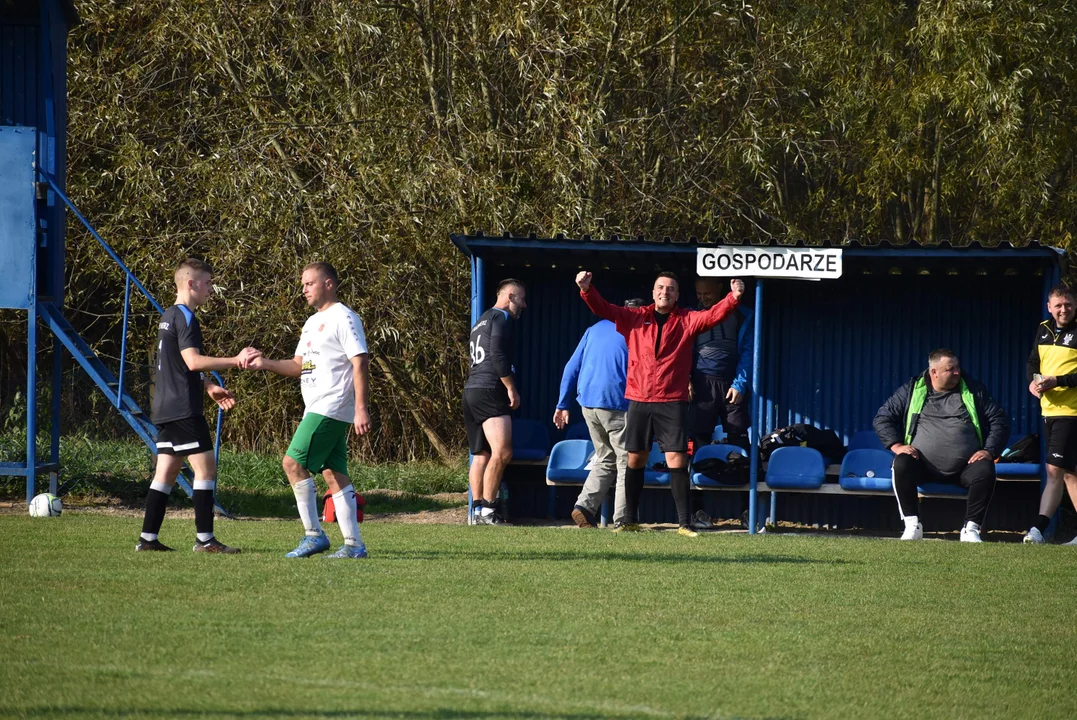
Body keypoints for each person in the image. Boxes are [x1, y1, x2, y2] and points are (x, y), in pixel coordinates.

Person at [575, 270, 743, 535]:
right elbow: (603, 309)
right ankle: (628, 521)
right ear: (654, 293)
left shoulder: (688, 320)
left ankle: (684, 524)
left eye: (671, 288)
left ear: (677, 294)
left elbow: (713, 315)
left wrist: (732, 299)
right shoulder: (635, 317)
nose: (665, 292)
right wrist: (586, 290)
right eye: (661, 287)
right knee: (635, 459)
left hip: (672, 401)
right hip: (640, 400)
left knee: (676, 460)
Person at [249, 261, 372, 558]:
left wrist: (361, 408)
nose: (303, 289)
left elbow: (361, 362)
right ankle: (354, 546)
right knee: (334, 474)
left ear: (328, 284)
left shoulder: (345, 318)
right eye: (303, 284)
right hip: (316, 407)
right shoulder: (310, 323)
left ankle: (314, 535)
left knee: (291, 463)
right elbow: (297, 366)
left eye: (309, 283)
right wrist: (265, 363)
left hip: (331, 406)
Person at [137, 258, 260, 553]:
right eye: (207, 283)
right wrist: (236, 360)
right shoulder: (187, 318)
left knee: (165, 472)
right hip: (182, 408)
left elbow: (179, 364)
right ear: (191, 284)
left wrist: (208, 386)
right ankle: (205, 540)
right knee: (206, 469)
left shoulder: (168, 315)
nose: (210, 289)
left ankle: (147, 539)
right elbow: (192, 361)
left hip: (164, 407)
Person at [873, 349, 1009, 542]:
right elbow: (882, 418)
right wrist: (896, 446)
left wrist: (988, 450)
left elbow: (999, 420)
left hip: (965, 467)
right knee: (901, 462)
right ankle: (912, 526)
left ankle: (971, 529)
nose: (957, 372)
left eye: (957, 368)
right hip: (923, 466)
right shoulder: (912, 389)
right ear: (934, 372)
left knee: (985, 468)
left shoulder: (973, 389)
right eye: (950, 369)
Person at [552, 298, 644, 528]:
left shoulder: (594, 329)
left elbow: (571, 367)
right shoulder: (636, 329)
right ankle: (624, 519)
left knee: (605, 457)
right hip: (616, 403)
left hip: (589, 405)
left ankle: (584, 506)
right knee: (626, 461)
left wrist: (562, 404)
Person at [689, 276, 753, 528]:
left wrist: (740, 384)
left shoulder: (742, 315)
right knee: (696, 445)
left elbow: (749, 351)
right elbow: (682, 350)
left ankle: (746, 510)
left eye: (707, 293)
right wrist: (686, 379)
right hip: (701, 386)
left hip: (731, 385)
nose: (703, 298)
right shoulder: (692, 316)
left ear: (720, 289)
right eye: (699, 294)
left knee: (739, 445)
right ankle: (697, 511)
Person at [464, 279, 527, 525]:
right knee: (502, 451)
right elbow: (497, 355)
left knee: (481, 454)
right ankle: (490, 511)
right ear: (510, 296)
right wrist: (511, 388)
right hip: (490, 389)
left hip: (471, 390)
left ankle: (477, 511)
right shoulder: (501, 318)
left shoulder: (480, 320)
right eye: (521, 298)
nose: (524, 304)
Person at [1024, 284, 1077, 545]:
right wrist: (1034, 382)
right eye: (1058, 305)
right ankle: (1038, 530)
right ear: (1049, 307)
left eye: (1068, 304)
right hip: (1049, 410)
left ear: (1075, 305)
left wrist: (1058, 381)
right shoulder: (1044, 329)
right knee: (1068, 473)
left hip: (1072, 411)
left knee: (1055, 469)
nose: (1063, 309)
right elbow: (1034, 362)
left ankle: (1037, 529)